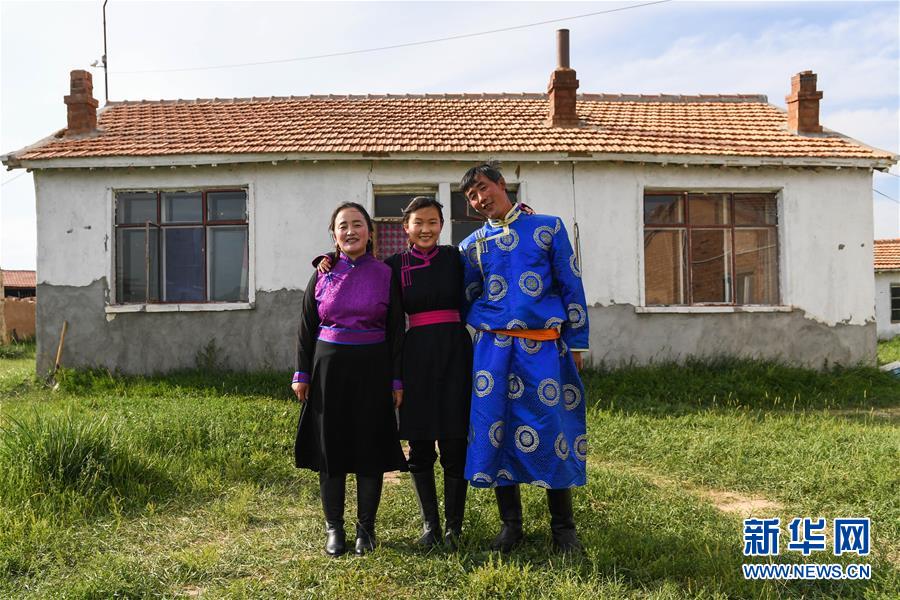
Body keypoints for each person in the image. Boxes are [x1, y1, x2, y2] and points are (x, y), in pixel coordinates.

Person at [316, 197, 473, 549]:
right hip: (415, 355)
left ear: (442, 225)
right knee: (419, 443)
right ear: (406, 228)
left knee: (455, 441)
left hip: (455, 354)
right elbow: (359, 272)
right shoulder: (393, 266)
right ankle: (430, 526)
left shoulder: (456, 258)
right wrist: (327, 259)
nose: (426, 229)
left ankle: (454, 528)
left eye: (433, 222)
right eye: (418, 223)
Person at [458, 163, 589, 554]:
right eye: (471, 197)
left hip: (542, 348)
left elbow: (570, 284)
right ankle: (510, 526)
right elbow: (466, 296)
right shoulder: (472, 246)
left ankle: (563, 529)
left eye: (483, 188)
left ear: (502, 184)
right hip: (493, 352)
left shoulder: (548, 228)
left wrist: (577, 341)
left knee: (552, 431)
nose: (480, 200)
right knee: (496, 431)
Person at [292, 201, 407, 558]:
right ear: (334, 234)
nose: (350, 231)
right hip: (329, 371)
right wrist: (301, 374)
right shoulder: (322, 273)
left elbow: (396, 330)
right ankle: (334, 528)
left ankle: (366, 529)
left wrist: (396, 380)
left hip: (373, 369)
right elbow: (306, 327)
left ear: (370, 232)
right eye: (343, 225)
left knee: (369, 446)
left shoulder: (385, 274)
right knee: (332, 448)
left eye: (358, 224)